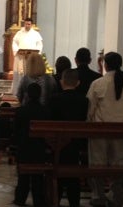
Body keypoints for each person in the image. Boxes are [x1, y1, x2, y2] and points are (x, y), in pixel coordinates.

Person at [86, 52, 123, 207]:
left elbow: (91, 109)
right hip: (121, 129)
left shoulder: (98, 84)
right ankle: (116, 196)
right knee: (118, 164)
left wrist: (89, 123)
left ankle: (98, 196)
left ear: (105, 65)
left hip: (100, 129)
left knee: (97, 164)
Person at [49, 69, 88, 207]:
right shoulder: (84, 100)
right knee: (73, 171)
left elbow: (50, 120)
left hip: (57, 143)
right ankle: (74, 201)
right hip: (76, 143)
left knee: (58, 168)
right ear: (77, 83)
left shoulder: (54, 99)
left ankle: (55, 199)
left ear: (61, 82)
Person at [13, 83, 50, 207]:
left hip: (23, 148)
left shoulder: (21, 111)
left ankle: (20, 198)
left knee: (23, 175)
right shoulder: (45, 111)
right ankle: (39, 199)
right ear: (40, 95)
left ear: (27, 95)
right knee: (38, 176)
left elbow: (15, 131)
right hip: (40, 149)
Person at [11, 18, 43, 95]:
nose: (27, 25)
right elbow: (14, 43)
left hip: (31, 57)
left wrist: (36, 53)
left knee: (30, 72)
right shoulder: (19, 33)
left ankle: (31, 91)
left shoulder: (36, 34)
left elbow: (39, 45)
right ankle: (18, 91)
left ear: (31, 25)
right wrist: (17, 51)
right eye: (26, 24)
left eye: (29, 24)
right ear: (24, 24)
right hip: (21, 56)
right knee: (20, 73)